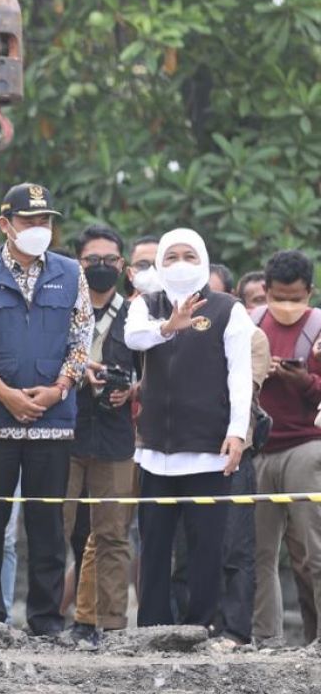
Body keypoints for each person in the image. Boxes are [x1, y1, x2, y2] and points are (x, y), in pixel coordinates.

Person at [0, 183, 93, 636]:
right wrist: (3, 392)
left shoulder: (70, 271)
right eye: (29, 221)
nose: (40, 229)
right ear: (5, 225)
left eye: (46, 221)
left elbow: (82, 337)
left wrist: (60, 388)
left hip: (52, 420)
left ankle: (45, 620)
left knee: (46, 525)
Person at [124, 228, 253, 628]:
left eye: (190, 256)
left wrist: (237, 431)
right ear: (160, 263)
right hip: (155, 453)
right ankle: (152, 627)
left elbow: (240, 374)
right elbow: (132, 338)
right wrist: (169, 327)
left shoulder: (227, 308)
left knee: (206, 549)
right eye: (172, 256)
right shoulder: (146, 304)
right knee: (155, 547)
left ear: (203, 260)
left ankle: (202, 625)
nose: (180, 264)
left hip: (207, 450)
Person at [63, 224, 138, 646]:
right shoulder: (62, 309)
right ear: (78, 264)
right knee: (57, 526)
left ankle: (106, 624)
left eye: (111, 260)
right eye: (93, 261)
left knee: (111, 532)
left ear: (123, 266)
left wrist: (130, 390)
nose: (102, 267)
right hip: (64, 430)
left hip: (114, 435)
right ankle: (48, 617)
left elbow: (152, 375)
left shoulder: (137, 314)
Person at [250, 249, 321, 646]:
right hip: (262, 448)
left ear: (309, 292)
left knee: (315, 551)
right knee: (260, 554)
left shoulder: (319, 326)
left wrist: (301, 379)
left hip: (308, 446)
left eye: (296, 297)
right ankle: (267, 638)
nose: (288, 306)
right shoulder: (253, 323)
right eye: (280, 296)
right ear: (266, 290)